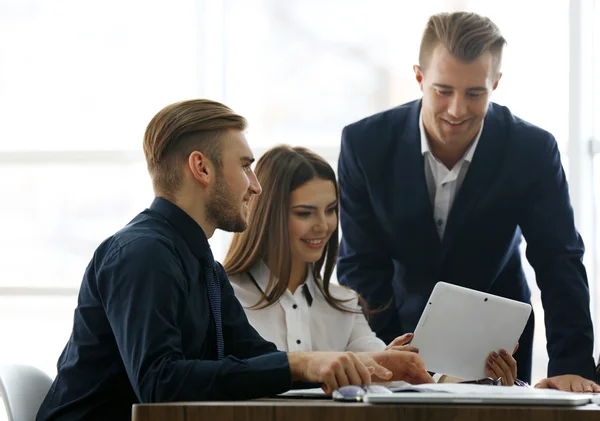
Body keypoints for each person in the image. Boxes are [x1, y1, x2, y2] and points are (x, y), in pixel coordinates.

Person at [36, 99, 430, 421]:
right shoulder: (143, 254)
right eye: (244, 166)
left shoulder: (199, 261)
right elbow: (160, 384)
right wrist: (305, 364)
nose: (255, 185)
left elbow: (256, 358)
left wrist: (368, 363)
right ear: (201, 167)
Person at [336, 11, 596, 388]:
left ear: (496, 83)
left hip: (498, 348)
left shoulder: (532, 150)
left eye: (475, 93)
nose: (457, 109)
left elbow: (560, 261)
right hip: (397, 334)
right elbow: (361, 266)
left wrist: (571, 365)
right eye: (443, 90)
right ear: (419, 77)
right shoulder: (365, 145)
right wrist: (388, 355)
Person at [224, 145, 518, 385]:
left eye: (330, 211)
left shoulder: (344, 303)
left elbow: (394, 375)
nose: (323, 226)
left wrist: (478, 376)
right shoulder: (226, 296)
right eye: (304, 213)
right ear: (268, 215)